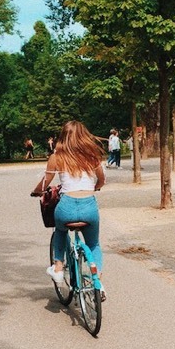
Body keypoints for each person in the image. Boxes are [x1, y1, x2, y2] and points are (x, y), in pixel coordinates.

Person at [31, 120, 106, 299]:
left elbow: (45, 183)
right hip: (89, 207)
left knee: (60, 232)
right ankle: (98, 282)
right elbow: (101, 180)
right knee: (93, 243)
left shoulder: (56, 157)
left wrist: (36, 191)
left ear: (62, 136)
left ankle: (58, 267)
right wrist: (94, 188)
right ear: (84, 136)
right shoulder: (92, 156)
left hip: (66, 207)